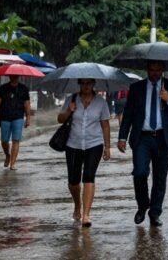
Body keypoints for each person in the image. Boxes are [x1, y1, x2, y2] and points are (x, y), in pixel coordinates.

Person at [117, 61, 168, 227]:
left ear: (163, 70)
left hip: (163, 137)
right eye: (152, 70)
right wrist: (122, 137)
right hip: (142, 138)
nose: (155, 73)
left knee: (160, 178)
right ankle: (142, 205)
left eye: (158, 70)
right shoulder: (137, 88)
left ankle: (155, 213)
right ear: (147, 70)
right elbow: (129, 114)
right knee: (140, 172)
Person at [58, 79, 111, 228]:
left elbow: (105, 125)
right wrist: (69, 110)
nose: (86, 86)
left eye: (89, 83)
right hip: (73, 144)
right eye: (83, 83)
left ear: (94, 84)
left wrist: (107, 147)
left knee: (89, 176)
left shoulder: (101, 102)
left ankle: (86, 214)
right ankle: (77, 205)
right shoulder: (71, 99)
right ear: (79, 84)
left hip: (94, 144)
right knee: (73, 181)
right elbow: (60, 119)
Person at [0, 74, 31, 170]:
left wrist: (28, 117)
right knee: (4, 140)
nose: (14, 77)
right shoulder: (3, 88)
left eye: (16, 76)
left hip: (18, 117)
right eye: (12, 76)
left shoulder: (24, 89)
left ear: (19, 77)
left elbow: (27, 104)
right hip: (5, 117)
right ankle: (7, 155)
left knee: (16, 140)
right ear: (9, 76)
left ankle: (13, 163)